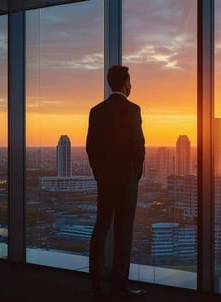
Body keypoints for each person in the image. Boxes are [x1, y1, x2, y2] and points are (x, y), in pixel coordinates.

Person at [86, 65, 146, 298]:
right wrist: (135, 174)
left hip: (105, 181)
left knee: (100, 228)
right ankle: (120, 283)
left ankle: (96, 282)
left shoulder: (96, 111)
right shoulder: (133, 110)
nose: (131, 86)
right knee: (123, 232)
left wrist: (99, 174)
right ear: (125, 84)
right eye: (130, 82)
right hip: (125, 182)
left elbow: (91, 147)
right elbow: (138, 147)